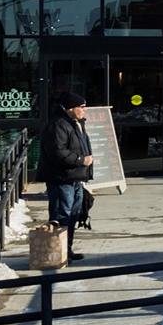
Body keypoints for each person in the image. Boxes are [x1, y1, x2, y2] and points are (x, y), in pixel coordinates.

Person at [41, 91, 95, 258]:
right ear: (71, 108)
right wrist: (80, 160)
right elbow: (57, 152)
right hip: (62, 178)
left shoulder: (75, 123)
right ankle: (59, 252)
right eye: (82, 107)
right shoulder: (59, 124)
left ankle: (67, 249)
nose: (85, 110)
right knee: (62, 214)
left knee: (73, 214)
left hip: (75, 177)